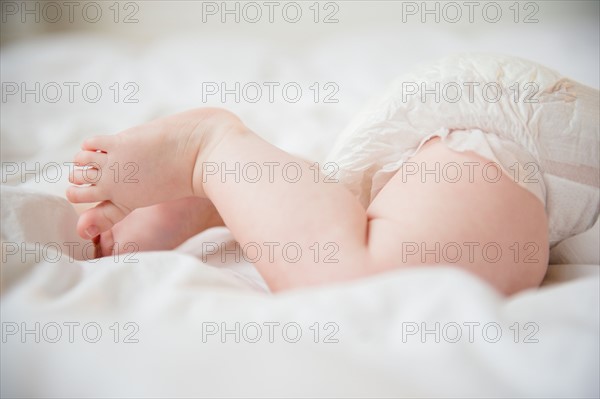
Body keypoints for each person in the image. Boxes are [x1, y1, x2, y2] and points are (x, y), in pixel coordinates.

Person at [66, 107, 549, 295]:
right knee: (361, 284)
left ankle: (231, 197)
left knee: (350, 232)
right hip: (528, 130)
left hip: (504, 116)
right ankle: (208, 152)